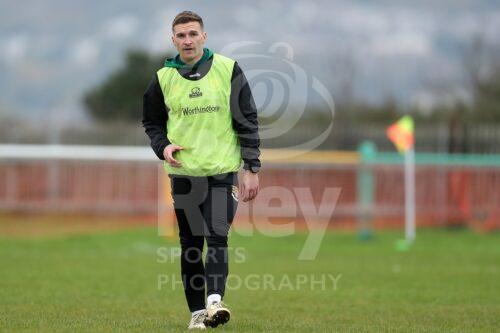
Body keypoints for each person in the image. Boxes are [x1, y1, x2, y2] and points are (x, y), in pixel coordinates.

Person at [142, 11, 260, 330]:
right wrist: (163, 146)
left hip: (222, 172)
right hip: (184, 175)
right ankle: (197, 314)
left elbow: (246, 119)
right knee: (191, 244)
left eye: (193, 34)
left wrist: (251, 167)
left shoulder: (228, 69)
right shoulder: (162, 78)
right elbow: (152, 123)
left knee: (218, 236)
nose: (187, 40)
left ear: (204, 37)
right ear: (173, 40)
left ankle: (214, 302)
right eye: (181, 35)